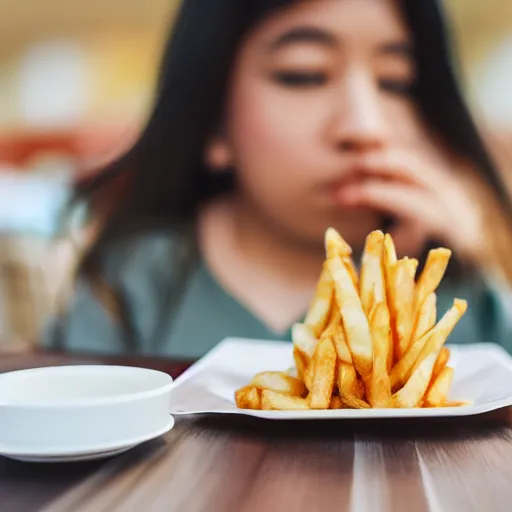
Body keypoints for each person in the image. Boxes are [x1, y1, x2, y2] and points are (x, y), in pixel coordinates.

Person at [44, 0, 512, 359]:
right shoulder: (129, 290)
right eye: (303, 74)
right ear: (213, 123)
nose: (366, 125)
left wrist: (486, 253)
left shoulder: (462, 289)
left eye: (396, 82)